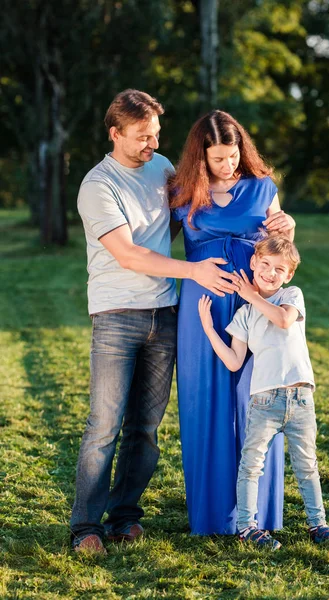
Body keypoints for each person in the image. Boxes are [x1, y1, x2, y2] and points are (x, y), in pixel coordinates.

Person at [70, 90, 239, 554]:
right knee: (104, 425)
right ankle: (85, 527)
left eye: (157, 135)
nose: (152, 144)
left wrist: (276, 218)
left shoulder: (163, 168)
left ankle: (125, 517)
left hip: (165, 314)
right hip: (116, 316)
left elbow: (204, 206)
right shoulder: (97, 185)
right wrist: (194, 271)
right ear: (115, 134)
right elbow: (127, 253)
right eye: (143, 136)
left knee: (145, 426)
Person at [169, 110, 296, 535]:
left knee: (256, 400)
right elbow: (150, 242)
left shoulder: (262, 189)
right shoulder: (183, 192)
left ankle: (258, 513)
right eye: (218, 158)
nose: (228, 165)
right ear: (200, 157)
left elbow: (281, 249)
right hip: (201, 305)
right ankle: (210, 515)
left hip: (252, 303)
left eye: (234, 155)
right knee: (203, 401)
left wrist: (290, 226)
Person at [198, 235, 329, 548]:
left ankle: (318, 524)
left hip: (301, 398)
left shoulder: (291, 295)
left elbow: (283, 320)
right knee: (251, 465)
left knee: (307, 466)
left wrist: (250, 295)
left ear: (288, 275)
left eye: (279, 268)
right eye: (264, 264)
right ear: (253, 263)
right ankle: (247, 527)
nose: (270, 272)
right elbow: (235, 362)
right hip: (264, 401)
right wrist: (209, 330)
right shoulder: (244, 316)